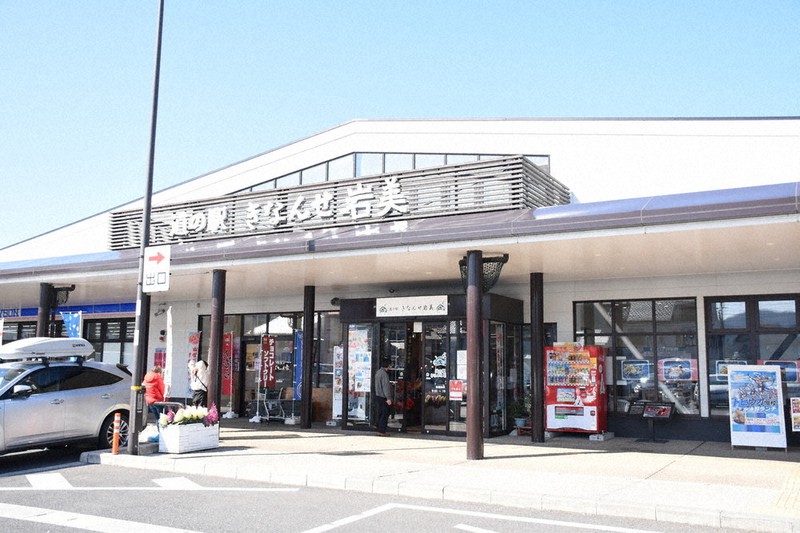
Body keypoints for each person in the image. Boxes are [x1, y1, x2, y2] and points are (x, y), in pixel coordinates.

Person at [142, 365, 165, 442]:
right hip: (158, 400)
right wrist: (162, 397)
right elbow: (162, 389)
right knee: (162, 418)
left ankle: (159, 434)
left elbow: (144, 387)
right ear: (159, 372)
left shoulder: (146, 377)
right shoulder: (158, 377)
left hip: (149, 400)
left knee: (157, 418)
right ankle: (162, 435)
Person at [374, 358, 393, 436]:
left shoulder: (378, 372)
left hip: (378, 395)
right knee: (385, 414)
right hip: (383, 396)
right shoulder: (384, 374)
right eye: (391, 364)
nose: (391, 366)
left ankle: (377, 425)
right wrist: (388, 398)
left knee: (381, 412)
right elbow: (386, 387)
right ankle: (382, 430)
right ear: (388, 365)